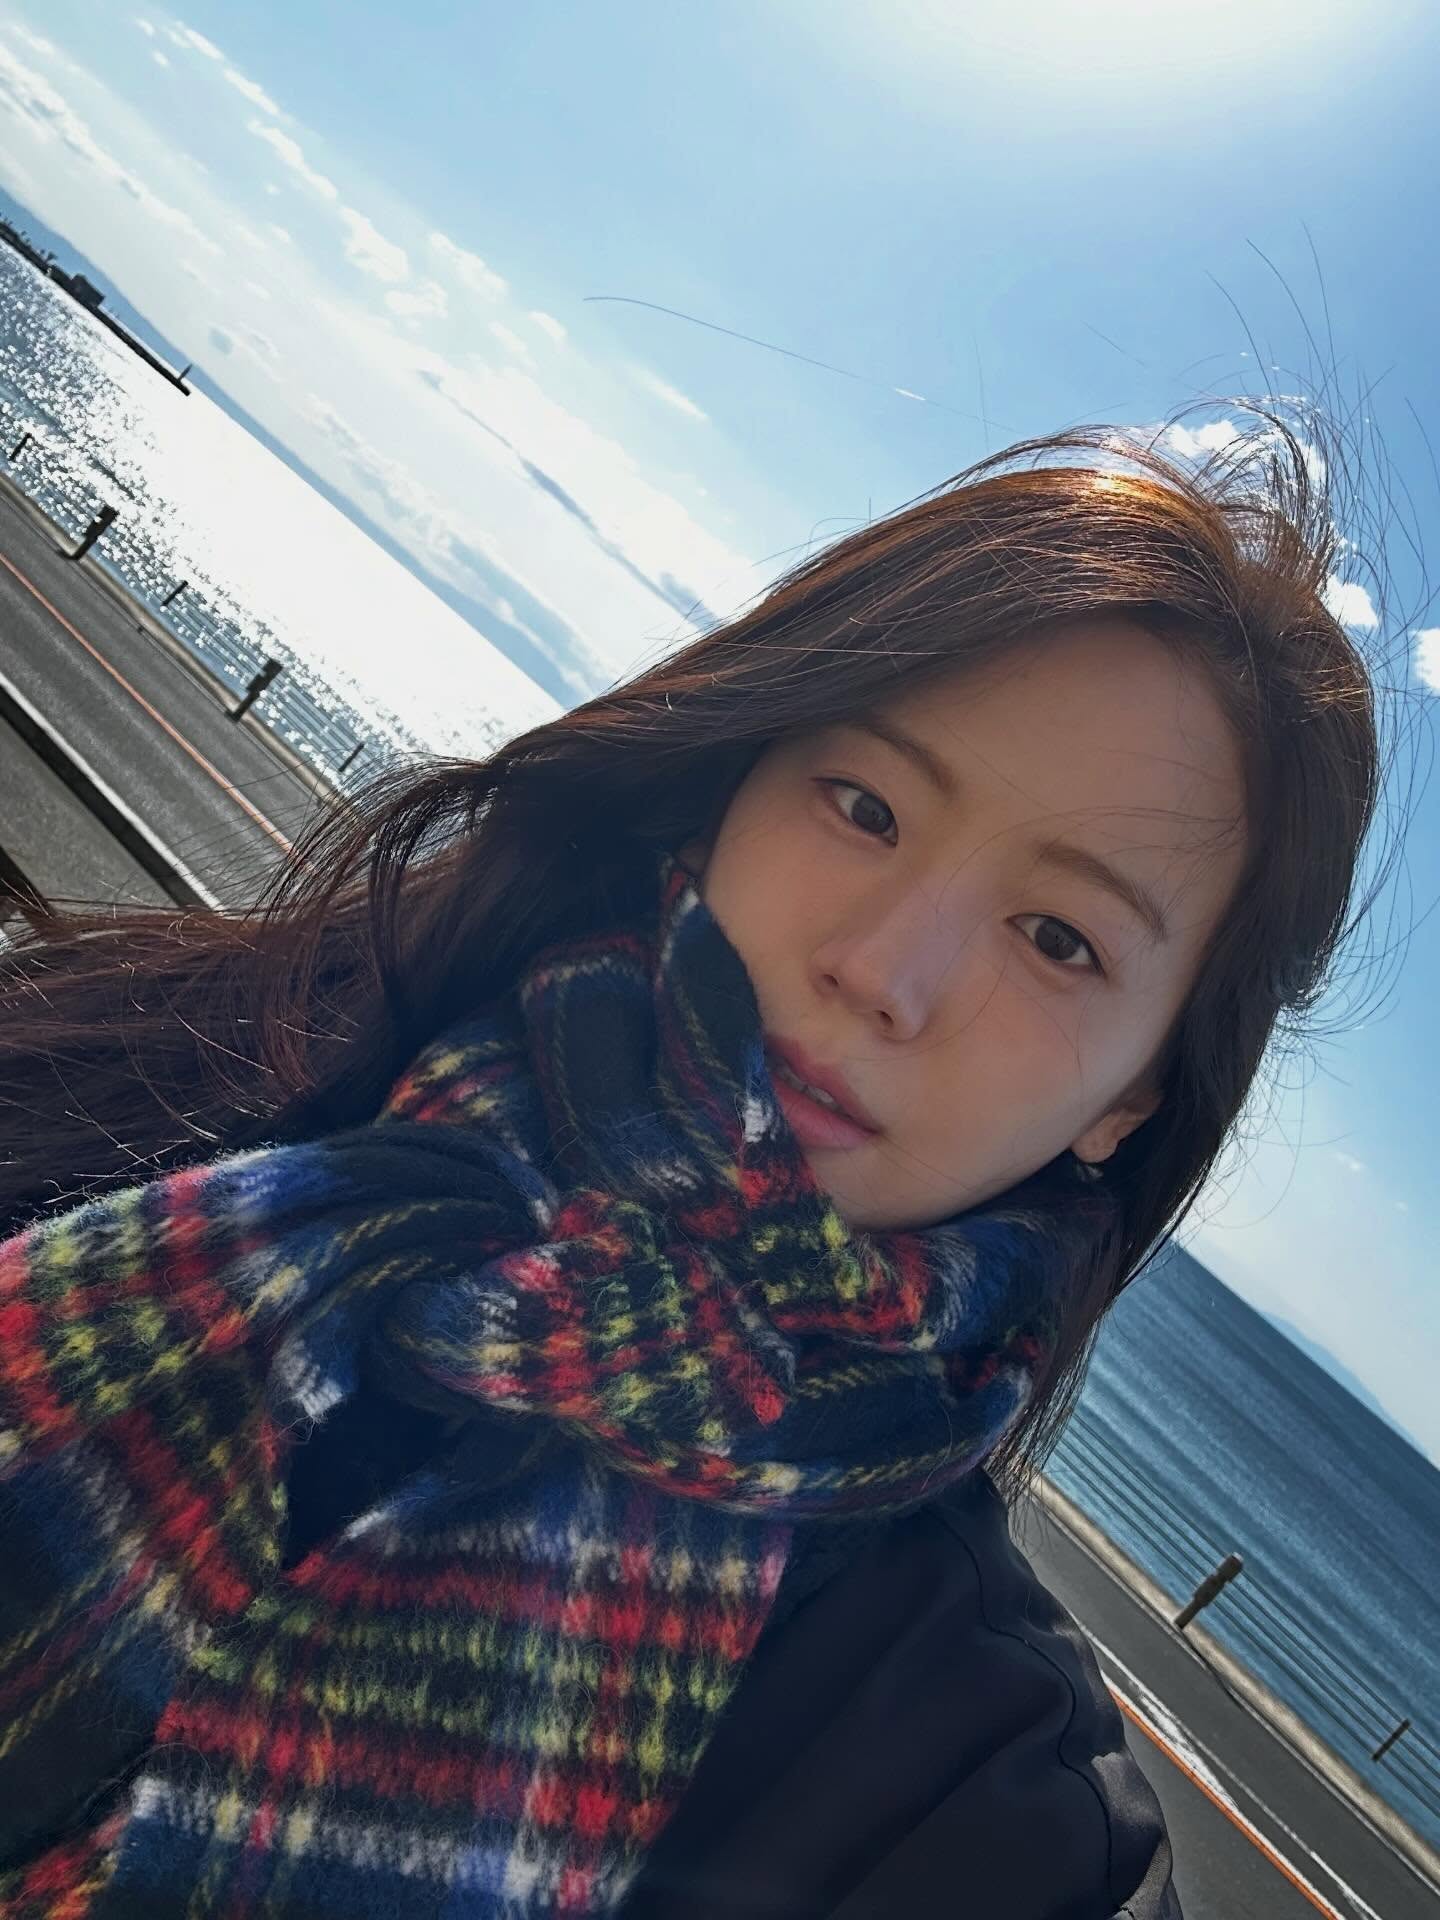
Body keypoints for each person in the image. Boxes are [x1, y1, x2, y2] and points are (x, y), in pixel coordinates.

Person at [0, 415, 1382, 1920]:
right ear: (736, 772)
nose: (883, 970)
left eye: (1059, 939)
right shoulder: (171, 1054)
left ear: (1136, 1097)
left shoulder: (983, 1794)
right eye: (866, 806)